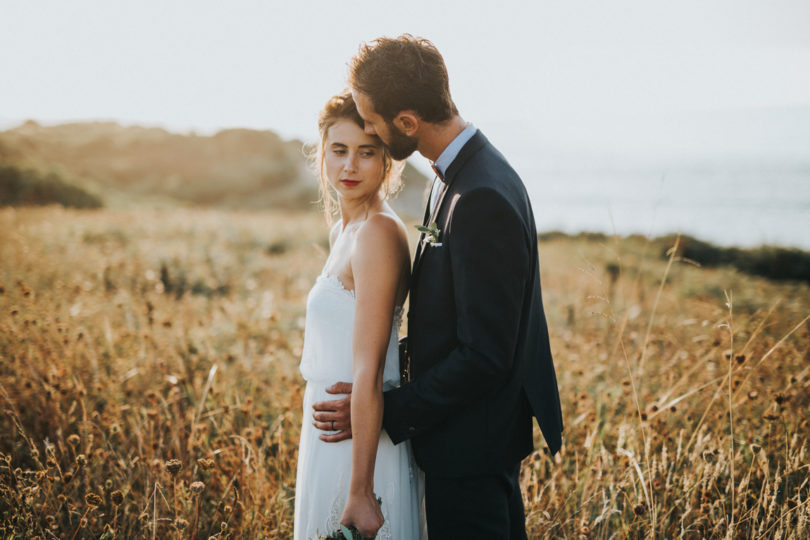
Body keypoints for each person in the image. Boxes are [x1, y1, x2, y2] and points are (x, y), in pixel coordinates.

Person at [312, 35, 564, 538]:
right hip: (460, 442)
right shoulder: (458, 175)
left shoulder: (480, 195)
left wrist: (385, 410)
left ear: (406, 122)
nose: (370, 132)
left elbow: (485, 354)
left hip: (472, 450)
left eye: (373, 122)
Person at [293, 91, 426, 540]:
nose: (349, 166)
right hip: (328, 438)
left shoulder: (378, 233)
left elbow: (368, 371)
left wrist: (362, 490)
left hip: (360, 450)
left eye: (366, 153)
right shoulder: (343, 230)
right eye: (339, 151)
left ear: (387, 161)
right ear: (322, 155)